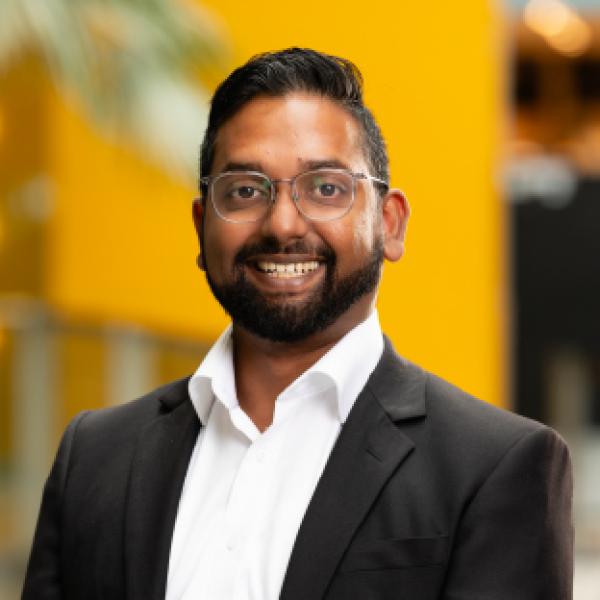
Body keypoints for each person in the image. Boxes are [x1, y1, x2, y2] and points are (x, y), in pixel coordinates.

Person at [22, 48, 573, 600]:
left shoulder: (495, 467)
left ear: (389, 223)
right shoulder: (95, 456)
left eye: (326, 188)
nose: (283, 223)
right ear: (201, 225)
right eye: (245, 191)